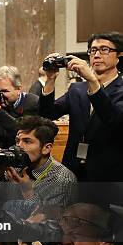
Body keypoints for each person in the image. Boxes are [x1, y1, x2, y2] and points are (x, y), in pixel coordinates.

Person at [39, 32, 123, 182]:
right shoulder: (77, 89)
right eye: (93, 50)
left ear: (119, 56)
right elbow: (48, 114)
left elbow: (114, 119)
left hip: (107, 172)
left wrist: (92, 80)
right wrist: (50, 80)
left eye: (104, 50)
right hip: (72, 168)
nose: (97, 55)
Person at [2, 116, 77, 219]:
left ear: (46, 148)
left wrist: (28, 191)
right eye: (17, 141)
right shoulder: (17, 167)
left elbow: (47, 224)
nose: (19, 146)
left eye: (27, 141)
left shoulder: (63, 179)